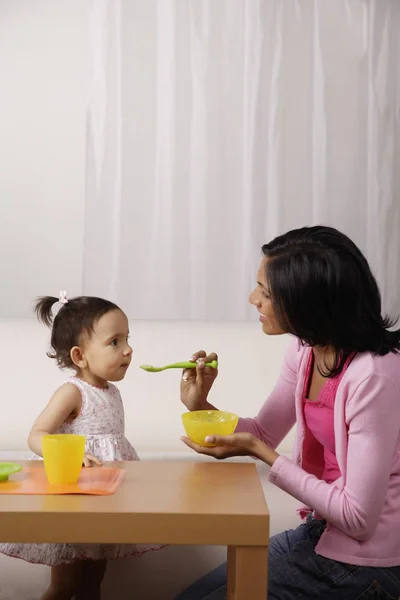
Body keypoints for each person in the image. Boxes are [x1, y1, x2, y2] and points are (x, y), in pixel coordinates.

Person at [176, 226, 400, 600]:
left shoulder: (374, 375)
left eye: (265, 293)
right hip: (320, 532)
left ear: (306, 302)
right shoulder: (305, 348)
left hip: (370, 564)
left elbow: (359, 519)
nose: (253, 299)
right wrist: (200, 405)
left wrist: (263, 456)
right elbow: (263, 433)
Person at [0, 293, 162, 600]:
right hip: (71, 501)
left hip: (102, 502)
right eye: (115, 342)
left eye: (127, 339)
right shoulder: (73, 392)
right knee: (65, 586)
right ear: (79, 356)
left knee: (92, 585)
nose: (128, 349)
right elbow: (37, 434)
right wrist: (67, 453)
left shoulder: (112, 391)